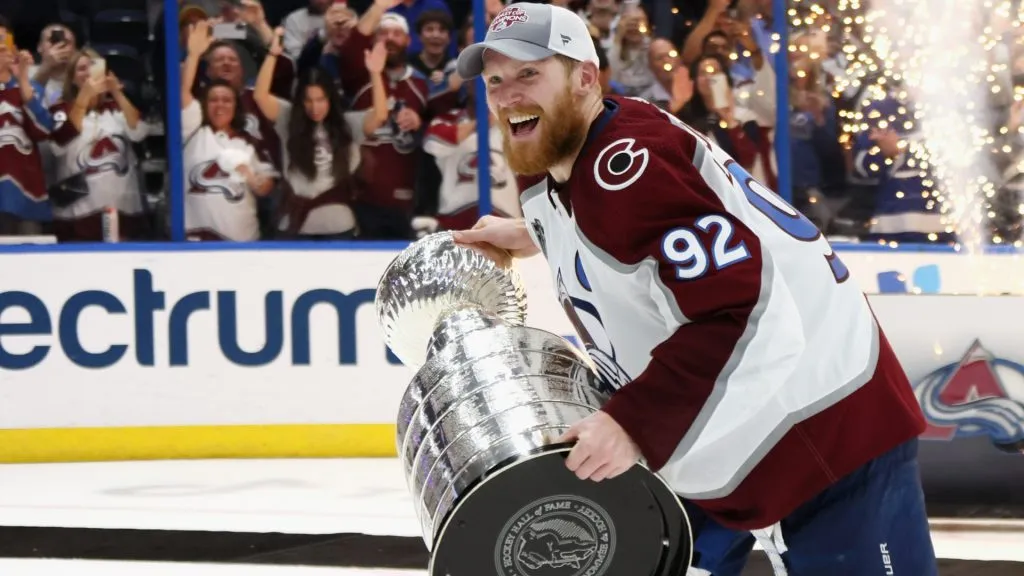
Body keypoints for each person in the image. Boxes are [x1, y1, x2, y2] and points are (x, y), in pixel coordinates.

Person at [451, 3, 939, 575]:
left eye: (529, 74)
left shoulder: (632, 170)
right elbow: (625, 233)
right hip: (723, 436)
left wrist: (631, 423)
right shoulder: (560, 154)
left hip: (823, 436)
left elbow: (746, 312)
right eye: (495, 82)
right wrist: (535, 232)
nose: (508, 96)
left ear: (586, 77)